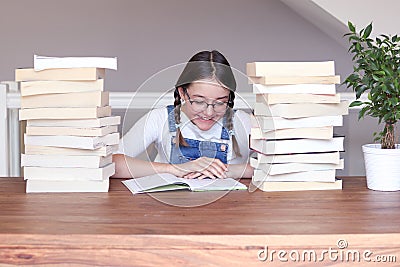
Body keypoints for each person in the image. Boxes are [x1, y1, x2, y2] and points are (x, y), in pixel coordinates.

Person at [112, 50, 253, 179]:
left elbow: (272, 168)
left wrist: (229, 170)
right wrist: (174, 169)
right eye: (199, 101)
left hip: (231, 206)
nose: (209, 112)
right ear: (182, 93)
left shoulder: (243, 122)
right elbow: (112, 163)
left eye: (220, 103)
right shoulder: (160, 119)